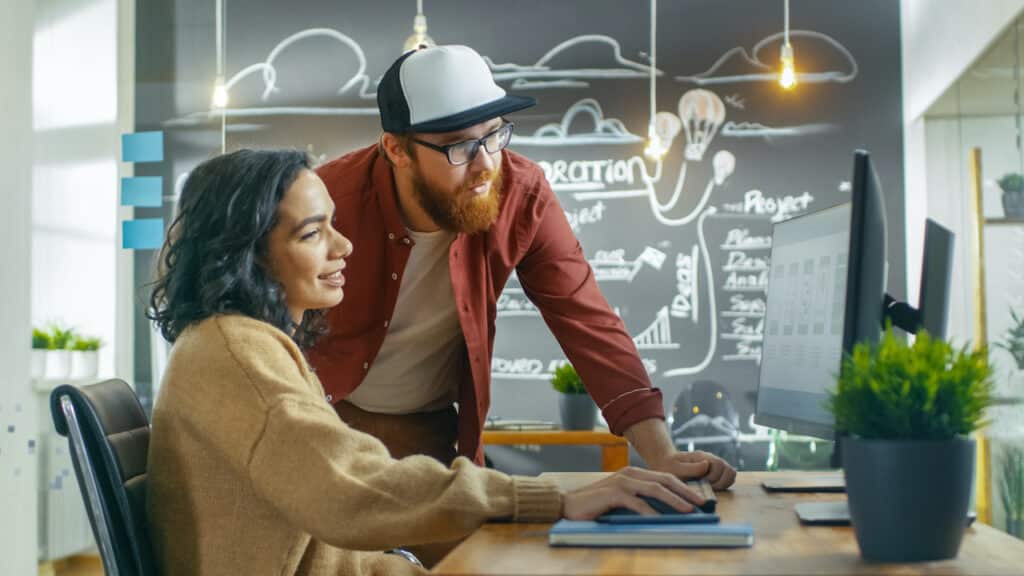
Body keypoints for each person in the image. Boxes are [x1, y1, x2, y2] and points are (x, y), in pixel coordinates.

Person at [145, 149, 710, 576]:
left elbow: (326, 545)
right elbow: (350, 491)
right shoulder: (237, 353)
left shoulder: (237, 342)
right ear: (245, 253)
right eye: (314, 233)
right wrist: (551, 500)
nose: (344, 247)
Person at [310, 45, 737, 489]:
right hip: (322, 426)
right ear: (397, 150)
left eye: (494, 135)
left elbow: (585, 318)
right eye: (459, 146)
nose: (485, 165)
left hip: (430, 432)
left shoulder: (521, 193)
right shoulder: (325, 199)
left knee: (460, 559)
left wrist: (662, 455)